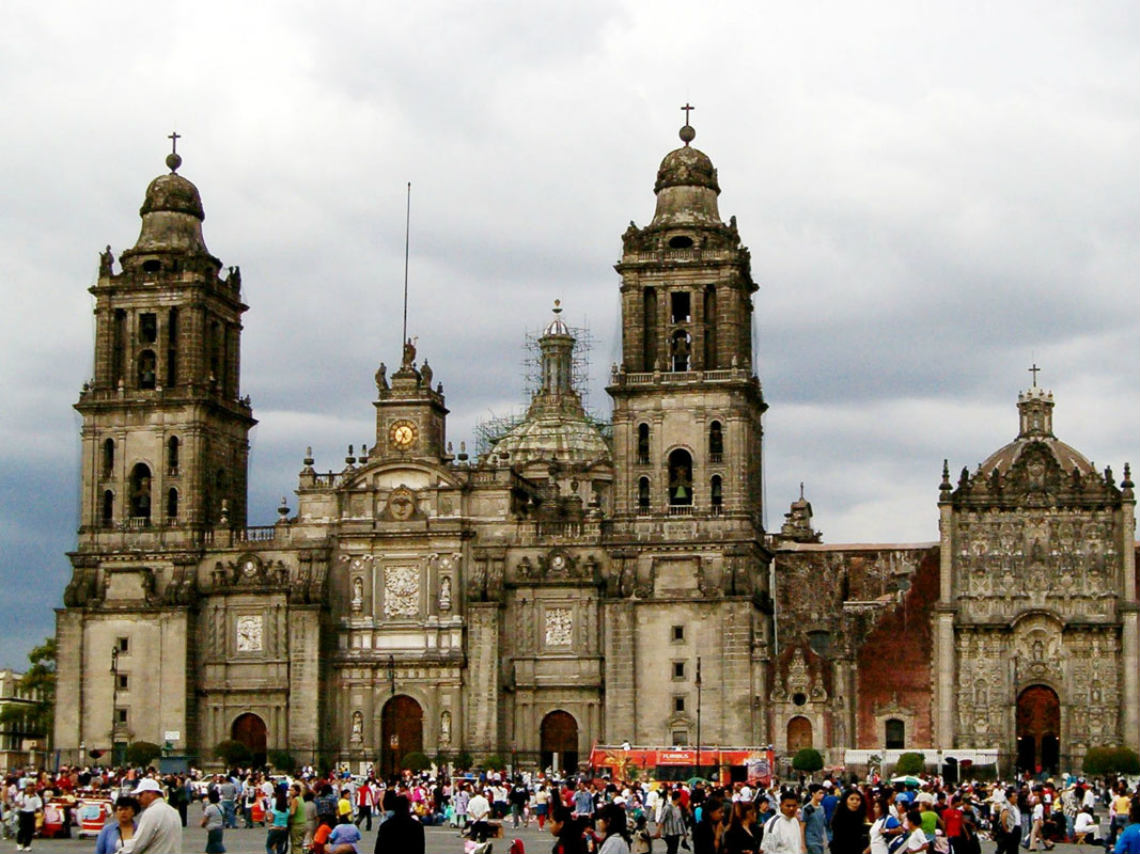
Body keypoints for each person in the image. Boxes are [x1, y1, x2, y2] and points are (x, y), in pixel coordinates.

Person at [121, 778, 182, 854]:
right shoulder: (174, 812)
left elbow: (138, 844)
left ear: (151, 793)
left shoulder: (152, 812)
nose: (138, 798)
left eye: (141, 794)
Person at [829, 790, 867, 854]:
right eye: (851, 799)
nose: (855, 802)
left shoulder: (861, 816)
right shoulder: (839, 817)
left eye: (858, 800)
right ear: (845, 801)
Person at [655, 789, 689, 854]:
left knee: (674, 850)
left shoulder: (678, 808)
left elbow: (680, 821)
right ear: (678, 798)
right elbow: (661, 820)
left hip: (676, 833)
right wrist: (658, 832)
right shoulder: (667, 808)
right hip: (669, 833)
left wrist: (684, 832)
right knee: (671, 849)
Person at [14, 783, 41, 852]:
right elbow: (16, 801)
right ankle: (19, 844)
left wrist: (38, 809)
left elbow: (39, 805)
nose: (30, 788)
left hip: (31, 813)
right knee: (22, 829)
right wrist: (20, 805)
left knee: (30, 830)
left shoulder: (36, 795)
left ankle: (27, 845)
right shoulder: (22, 794)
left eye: (32, 787)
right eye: (29, 787)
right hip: (23, 812)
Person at [201, 788, 225, 854]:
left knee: (213, 848)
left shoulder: (209, 808)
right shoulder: (221, 807)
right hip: (220, 828)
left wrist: (202, 824)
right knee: (216, 845)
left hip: (212, 829)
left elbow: (205, 819)